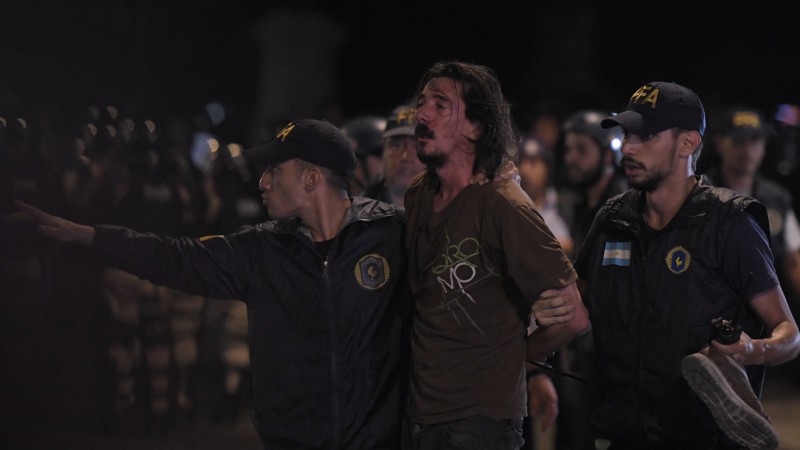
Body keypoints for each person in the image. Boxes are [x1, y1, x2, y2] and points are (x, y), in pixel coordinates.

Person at [10, 119, 413, 449]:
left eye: (274, 171)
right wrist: (91, 237)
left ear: (310, 179)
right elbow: (173, 257)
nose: (262, 183)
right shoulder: (261, 251)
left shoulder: (393, 235)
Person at [552, 81, 800, 449]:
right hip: (618, 434)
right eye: (627, 135)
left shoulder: (730, 222)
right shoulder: (612, 218)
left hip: (704, 438)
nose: (629, 148)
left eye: (645, 136)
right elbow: (572, 307)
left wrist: (751, 350)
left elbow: (789, 334)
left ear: (687, 143)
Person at [403, 60, 590, 450]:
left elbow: (574, 316)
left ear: (476, 127)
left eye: (440, 105)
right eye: (422, 102)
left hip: (481, 423)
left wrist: (518, 359)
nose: (420, 114)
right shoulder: (419, 194)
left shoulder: (505, 204)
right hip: (420, 412)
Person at [705, 106, 800, 298]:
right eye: (738, 141)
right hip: (710, 305)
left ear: (764, 145)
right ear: (719, 142)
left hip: (766, 311)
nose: (747, 150)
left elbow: (792, 263)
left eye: (755, 141)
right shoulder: (700, 193)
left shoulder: (777, 198)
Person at [559, 109, 628, 256]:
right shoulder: (581, 206)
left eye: (582, 150)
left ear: (607, 156)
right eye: (568, 149)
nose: (571, 158)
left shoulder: (623, 210)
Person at [364, 103, 426, 207]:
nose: (406, 156)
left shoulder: (450, 212)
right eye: (397, 146)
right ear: (383, 152)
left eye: (417, 146)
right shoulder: (359, 214)